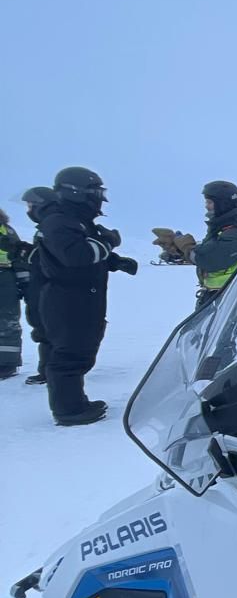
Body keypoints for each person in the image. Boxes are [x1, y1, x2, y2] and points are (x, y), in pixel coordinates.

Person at [38, 167, 138, 425]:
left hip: (82, 297)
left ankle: (74, 401)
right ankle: (69, 410)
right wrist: (108, 242)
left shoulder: (75, 220)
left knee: (81, 348)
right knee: (70, 353)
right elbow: (77, 255)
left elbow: (89, 253)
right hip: (68, 300)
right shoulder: (58, 221)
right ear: (76, 193)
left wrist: (116, 261)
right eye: (95, 192)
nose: (99, 198)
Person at [192, 181, 237, 302]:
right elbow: (210, 248)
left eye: (209, 202)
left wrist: (186, 247)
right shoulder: (223, 226)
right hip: (225, 294)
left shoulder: (236, 231)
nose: (206, 206)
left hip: (231, 297)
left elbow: (208, 259)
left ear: (222, 204)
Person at [20, 186, 54, 384]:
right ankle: (46, 369)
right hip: (39, 285)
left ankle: (50, 370)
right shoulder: (45, 227)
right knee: (40, 326)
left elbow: (51, 257)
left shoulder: (53, 226)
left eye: (31, 205)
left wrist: (30, 256)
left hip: (48, 287)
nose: (29, 210)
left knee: (48, 327)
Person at [0, 209, 31, 380]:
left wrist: (24, 284)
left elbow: (19, 258)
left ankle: (6, 364)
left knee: (6, 322)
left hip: (4, 279)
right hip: (5, 279)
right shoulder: (7, 229)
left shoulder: (5, 231)